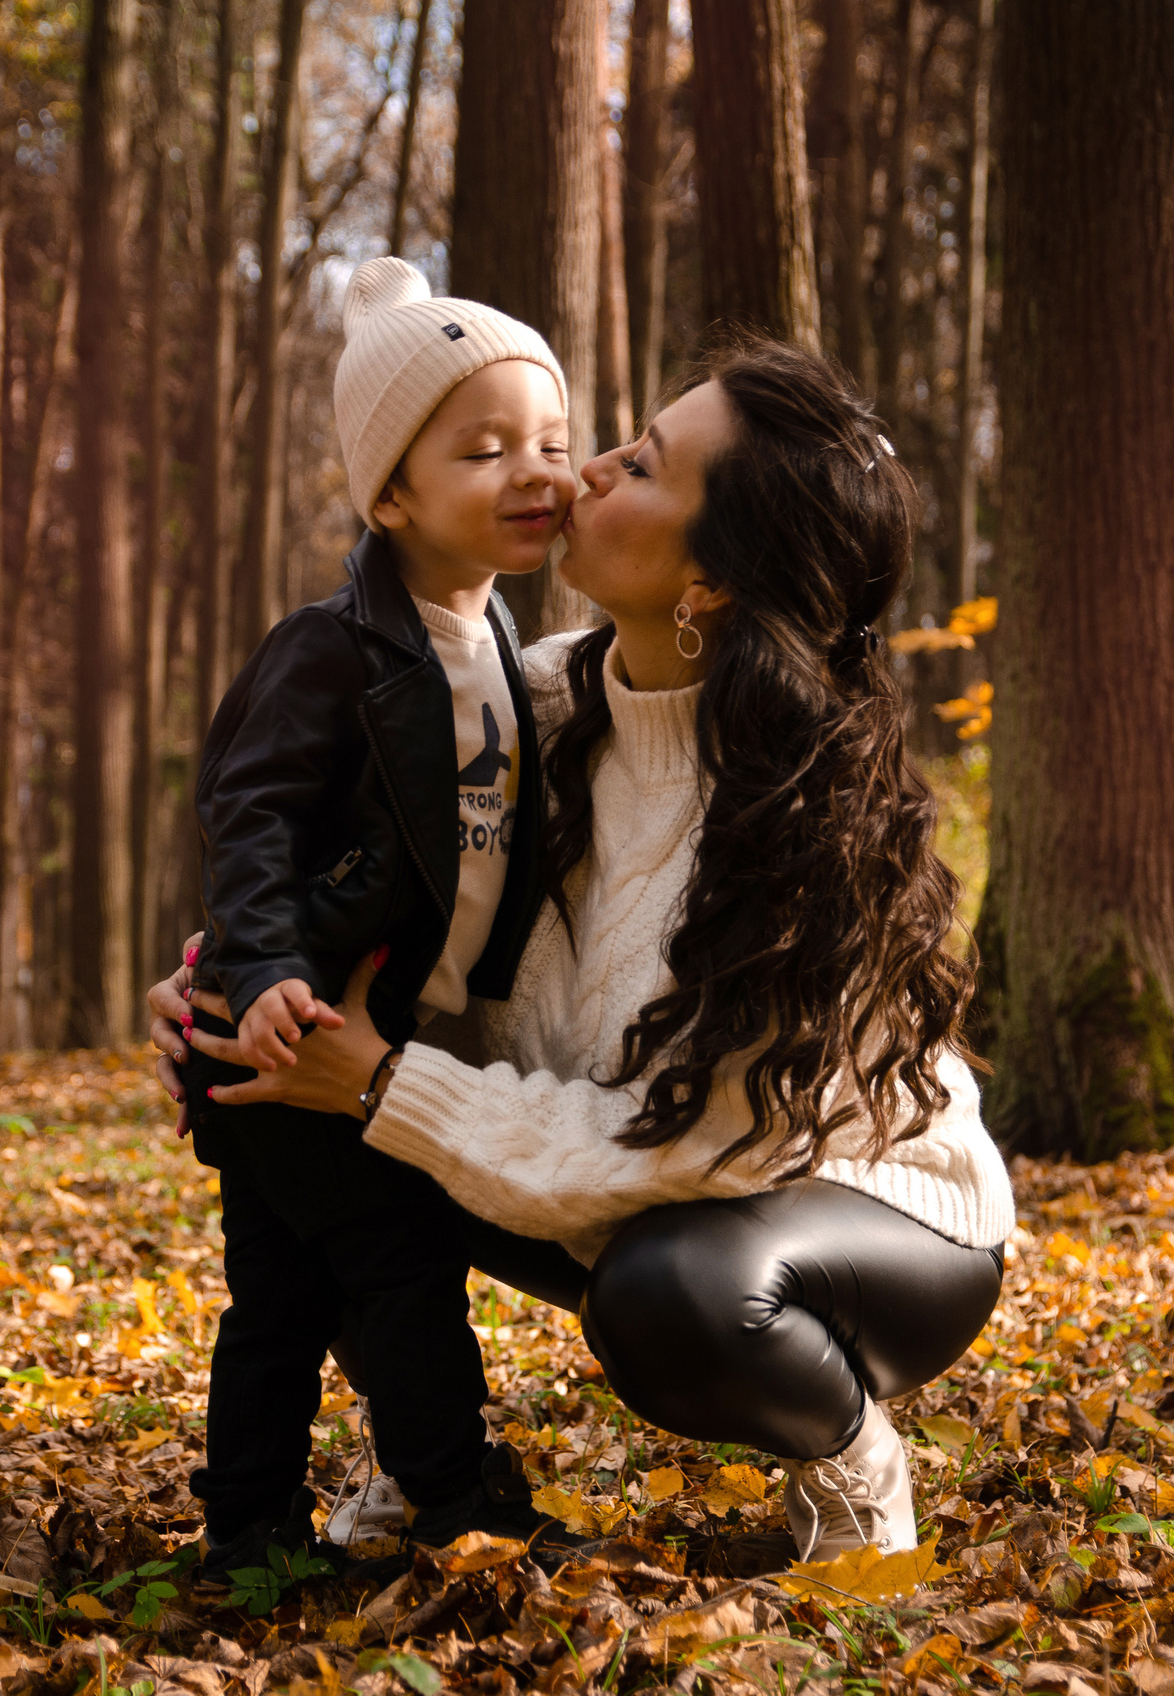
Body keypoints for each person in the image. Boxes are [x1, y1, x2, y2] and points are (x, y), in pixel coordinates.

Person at [154, 338, 1016, 1564]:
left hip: (858, 1224)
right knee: (332, 1140)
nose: (590, 469)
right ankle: (421, 1457)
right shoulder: (515, 710)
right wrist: (235, 983)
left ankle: (853, 1466)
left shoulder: (801, 828)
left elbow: (688, 1155)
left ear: (709, 582)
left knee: (668, 1290)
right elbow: (350, 882)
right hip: (620, 1175)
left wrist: (379, 1080)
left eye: (644, 465)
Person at [178, 256, 575, 1581]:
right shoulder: (334, 648)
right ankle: (456, 1504)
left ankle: (250, 1531)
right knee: (399, 1278)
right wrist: (270, 966)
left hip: (377, 1030)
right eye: (486, 451)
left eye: (552, 444)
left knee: (283, 1301)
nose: (536, 473)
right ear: (392, 496)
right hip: (290, 1033)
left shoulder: (503, 650)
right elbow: (250, 816)